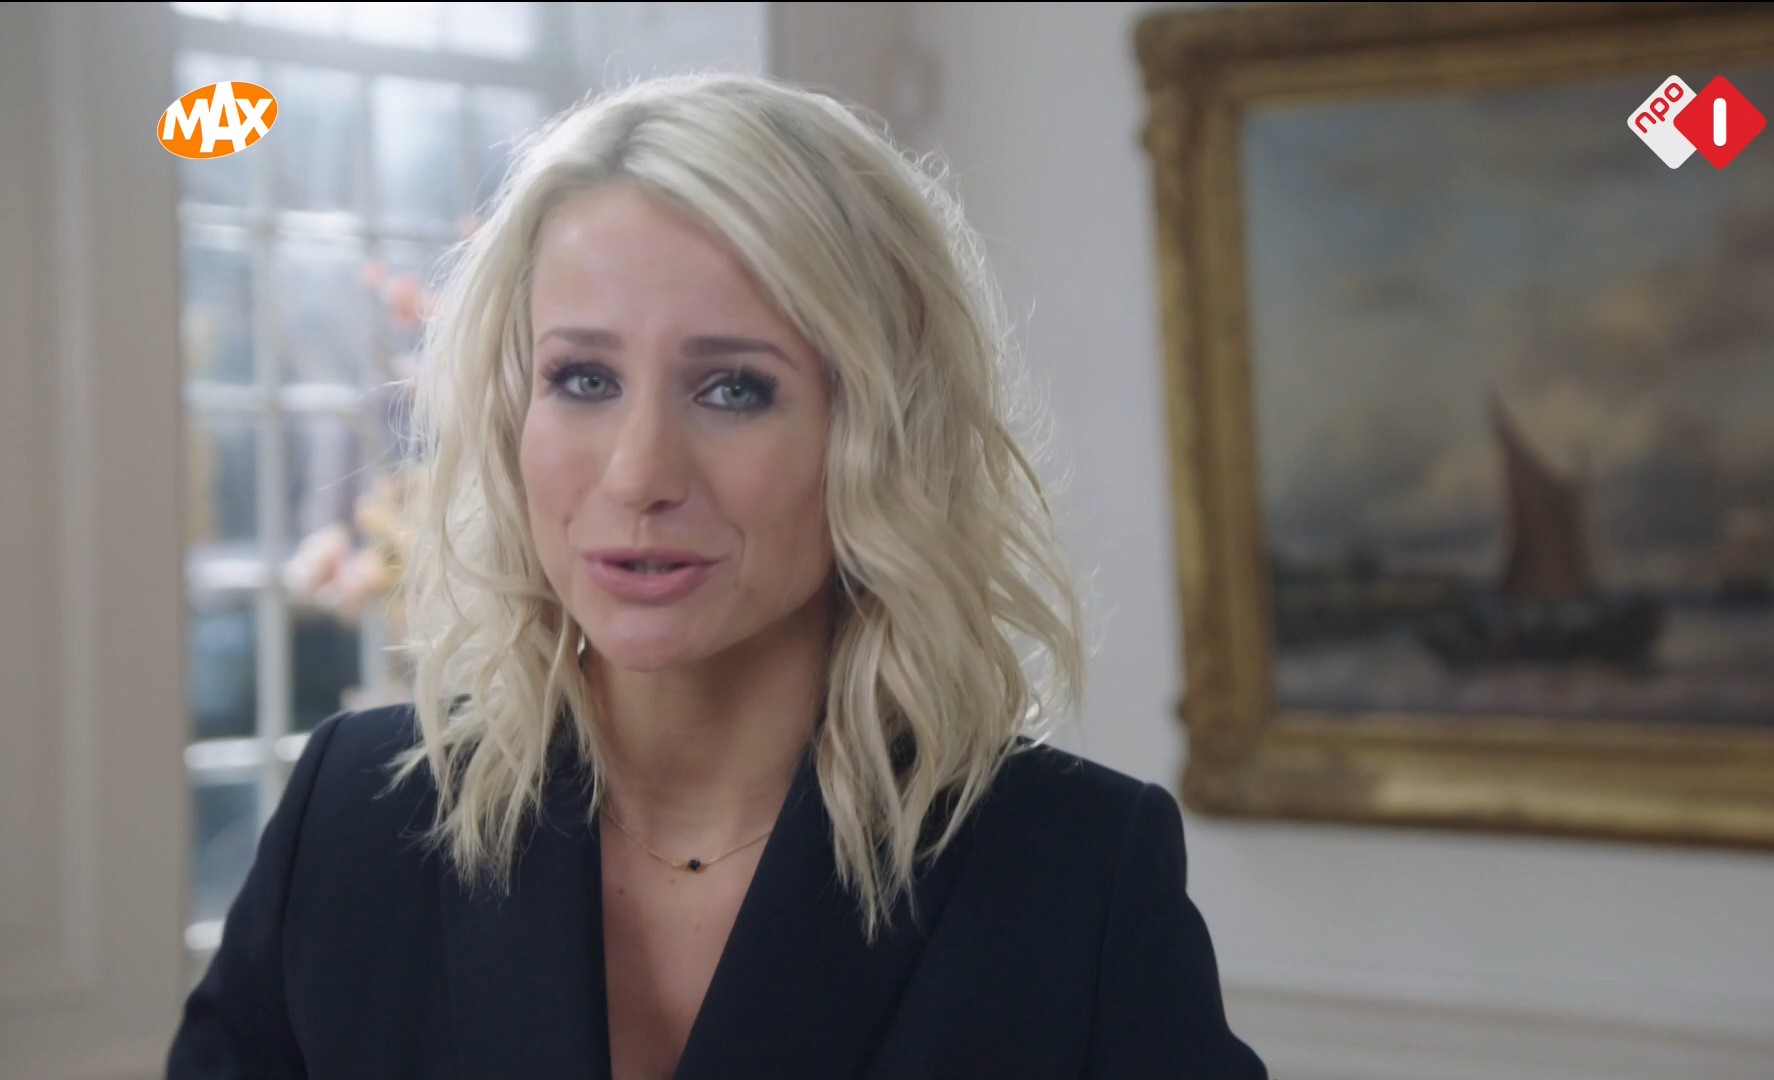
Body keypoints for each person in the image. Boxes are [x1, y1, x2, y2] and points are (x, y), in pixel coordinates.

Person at [166, 71, 1268, 1080]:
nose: (638, 473)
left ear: (877, 434)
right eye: (583, 378)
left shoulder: (1076, 876)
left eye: (734, 388)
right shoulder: (352, 820)